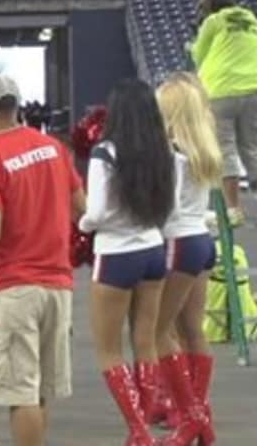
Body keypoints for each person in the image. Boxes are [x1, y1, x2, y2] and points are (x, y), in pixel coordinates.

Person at [0, 74, 86, 446]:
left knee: (19, 391)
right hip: (58, 283)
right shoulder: (53, 148)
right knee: (38, 392)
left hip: (13, 286)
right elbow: (80, 209)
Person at [78, 80, 176, 445]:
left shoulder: (105, 152)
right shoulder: (162, 151)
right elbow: (170, 207)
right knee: (145, 341)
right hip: (153, 250)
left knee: (108, 349)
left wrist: (82, 223)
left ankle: (138, 430)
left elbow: (98, 211)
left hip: (116, 255)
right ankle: (142, 426)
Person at [151, 73, 221, 444]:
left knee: (158, 331)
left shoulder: (171, 155)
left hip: (177, 241)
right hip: (202, 241)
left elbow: (165, 208)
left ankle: (190, 416)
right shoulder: (201, 152)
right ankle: (199, 414)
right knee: (192, 330)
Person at [187, 0, 257, 227]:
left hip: (222, 91)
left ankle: (233, 210)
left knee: (226, 151)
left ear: (210, 7)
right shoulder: (252, 19)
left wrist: (193, 42)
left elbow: (199, 57)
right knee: (254, 150)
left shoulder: (213, 21)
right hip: (256, 90)